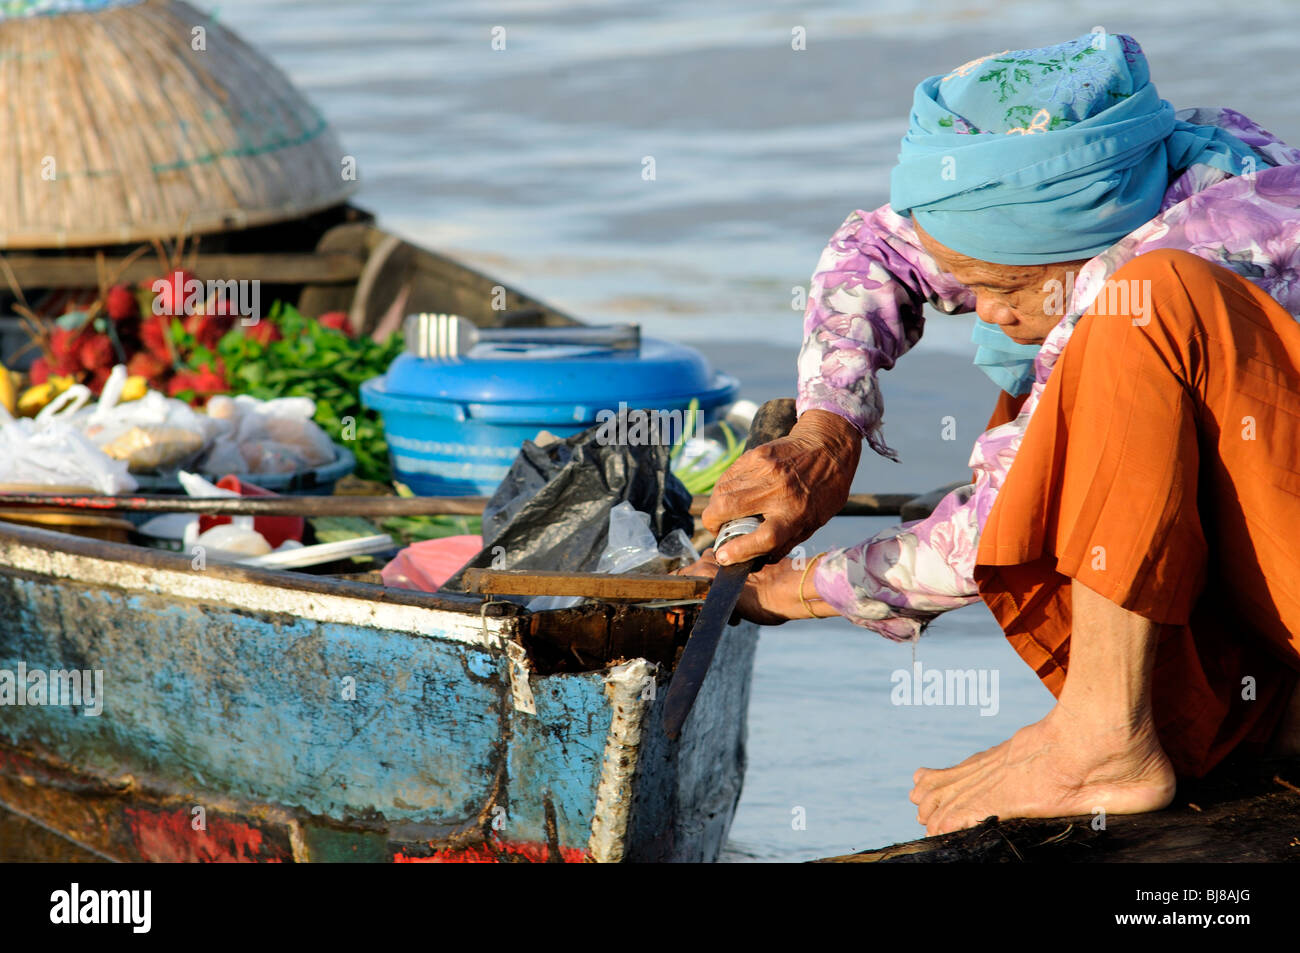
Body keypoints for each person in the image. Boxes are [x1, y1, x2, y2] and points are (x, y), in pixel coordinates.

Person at [683, 32, 1300, 836]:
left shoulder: (1186, 251)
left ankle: (1105, 736)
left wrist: (796, 590)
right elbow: (880, 247)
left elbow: (994, 521)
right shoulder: (1133, 175)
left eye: (998, 287)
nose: (986, 311)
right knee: (1060, 374)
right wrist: (827, 429)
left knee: (1127, 331)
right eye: (967, 286)